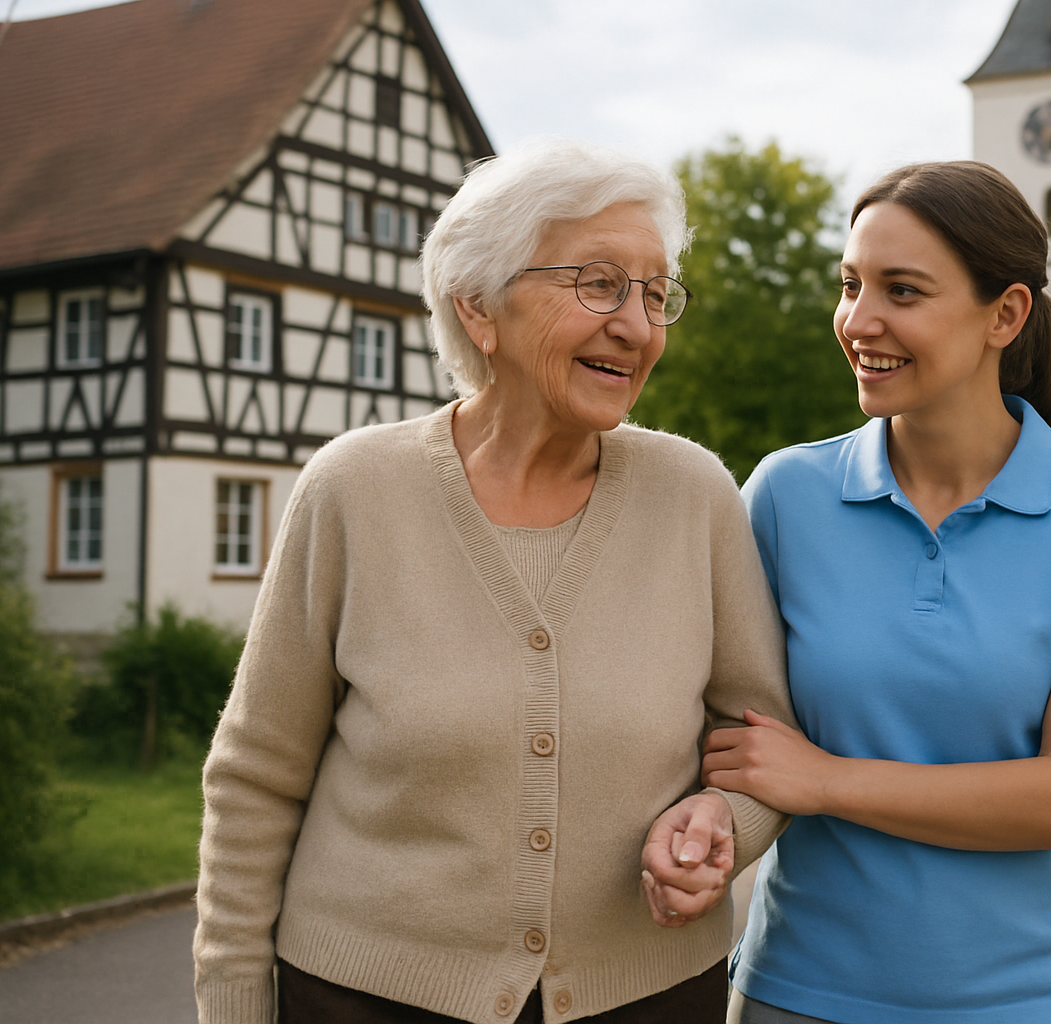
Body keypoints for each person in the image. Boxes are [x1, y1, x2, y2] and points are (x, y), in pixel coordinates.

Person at [192, 138, 795, 1024]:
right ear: (479, 308)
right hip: (363, 998)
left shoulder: (694, 494)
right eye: (597, 283)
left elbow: (759, 745)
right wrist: (235, 1003)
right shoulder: (354, 488)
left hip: (647, 997)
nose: (636, 324)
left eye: (655, 293)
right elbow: (256, 775)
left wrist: (718, 825)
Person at [703, 160, 1051, 1024]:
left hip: (1044, 1001)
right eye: (850, 285)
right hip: (799, 994)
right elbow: (729, 737)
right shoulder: (784, 496)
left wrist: (828, 781)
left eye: (903, 291)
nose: (859, 321)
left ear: (1006, 314)